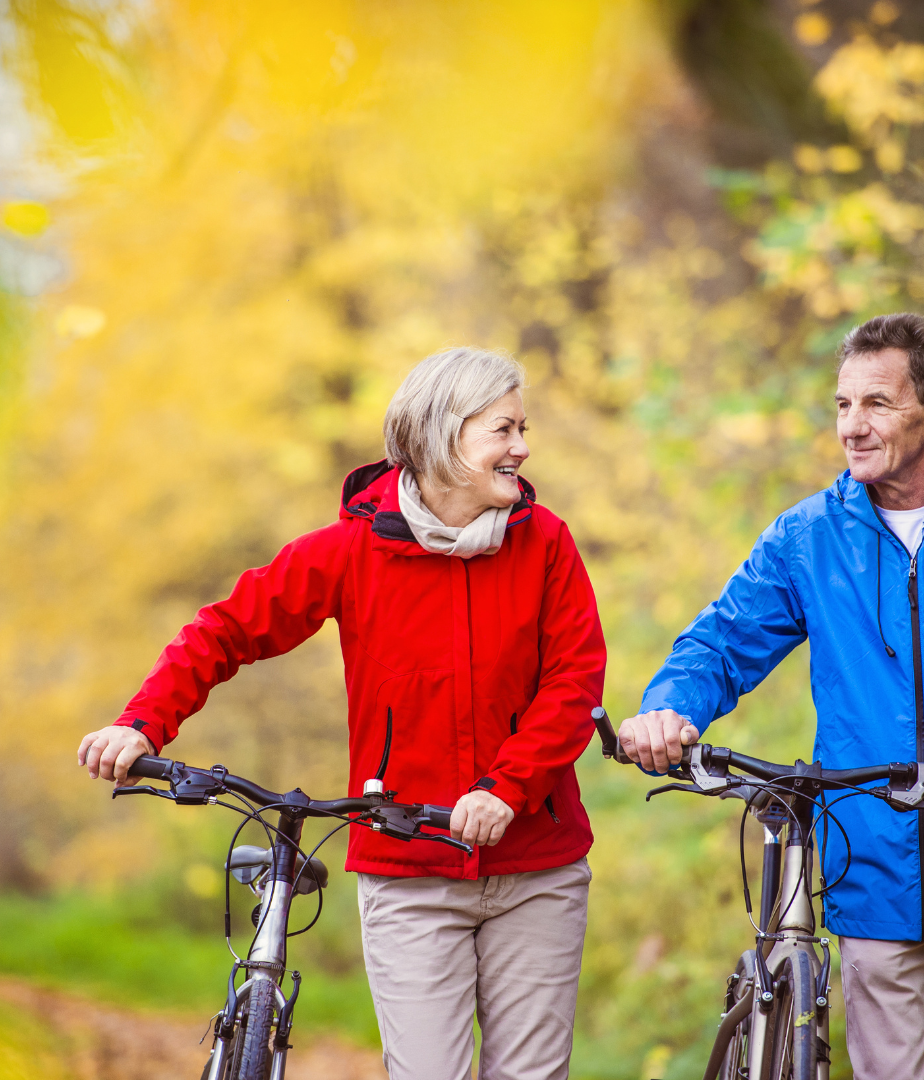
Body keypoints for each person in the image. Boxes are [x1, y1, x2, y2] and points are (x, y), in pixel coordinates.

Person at [78, 347, 606, 1080]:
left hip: (536, 868)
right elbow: (227, 629)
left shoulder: (543, 543)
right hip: (408, 869)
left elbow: (574, 683)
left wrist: (506, 787)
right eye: (503, 430)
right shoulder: (351, 551)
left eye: (523, 428)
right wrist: (141, 723)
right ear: (442, 436)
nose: (522, 448)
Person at [619, 313, 924, 1080]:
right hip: (873, 867)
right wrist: (672, 706)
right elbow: (721, 640)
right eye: (842, 405)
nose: (852, 428)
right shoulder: (809, 537)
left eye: (876, 405)